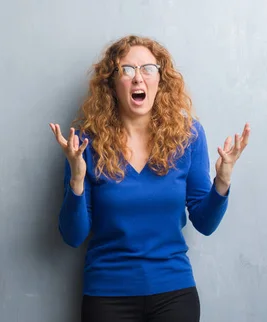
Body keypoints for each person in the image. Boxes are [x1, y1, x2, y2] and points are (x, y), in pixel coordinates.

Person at [48, 35, 250, 322]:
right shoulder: (83, 144)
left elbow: (205, 223)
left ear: (161, 80)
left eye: (148, 69)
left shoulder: (188, 136)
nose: (138, 78)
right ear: (111, 83)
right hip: (107, 296)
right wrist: (77, 182)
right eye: (127, 70)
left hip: (174, 293)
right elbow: (73, 236)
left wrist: (223, 180)